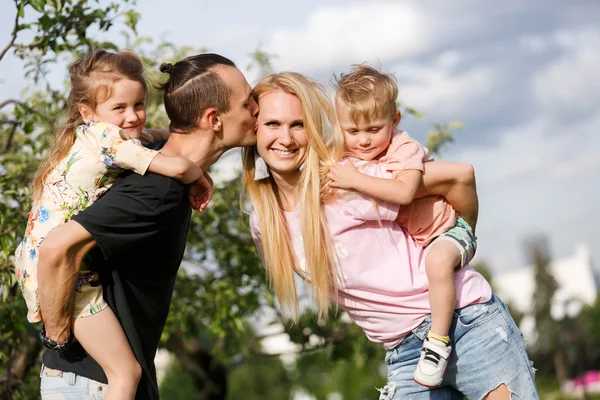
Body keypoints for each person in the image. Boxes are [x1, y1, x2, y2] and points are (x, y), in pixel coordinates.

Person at [242, 72, 539, 399]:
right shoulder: (264, 224)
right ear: (254, 129)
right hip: (404, 353)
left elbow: (459, 178)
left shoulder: (349, 183)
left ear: (313, 131)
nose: (285, 137)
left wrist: (462, 237)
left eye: (297, 124)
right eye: (272, 124)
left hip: (465, 324)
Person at [35, 52, 258, 399]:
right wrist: (56, 331)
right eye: (248, 104)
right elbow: (53, 249)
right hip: (93, 385)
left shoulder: (152, 160)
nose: (257, 111)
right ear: (214, 119)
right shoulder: (159, 189)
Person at [326, 64, 477, 387]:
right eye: (353, 132)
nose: (363, 141)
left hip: (448, 231)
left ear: (393, 122)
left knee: (436, 263)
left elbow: (405, 192)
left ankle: (437, 343)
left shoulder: (403, 148)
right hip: (421, 239)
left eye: (373, 129)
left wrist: (354, 178)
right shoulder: (348, 150)